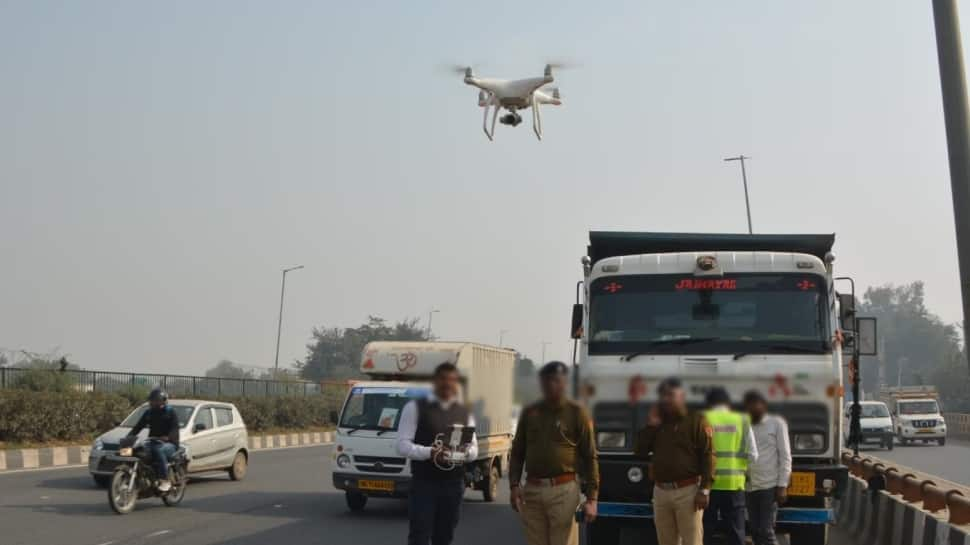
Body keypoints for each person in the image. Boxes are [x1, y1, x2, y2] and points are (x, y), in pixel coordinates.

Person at [509, 361, 599, 545]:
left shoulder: (577, 413)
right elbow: (518, 452)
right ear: (541, 383)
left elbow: (590, 456)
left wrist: (592, 499)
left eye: (556, 380)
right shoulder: (530, 412)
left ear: (565, 382)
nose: (551, 385)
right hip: (532, 490)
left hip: (563, 491)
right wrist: (514, 485)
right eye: (547, 380)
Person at [397, 362, 478, 545]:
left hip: (454, 484)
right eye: (443, 379)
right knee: (419, 535)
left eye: (452, 380)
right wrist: (430, 452)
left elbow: (474, 449)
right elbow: (401, 445)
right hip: (424, 484)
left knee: (445, 536)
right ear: (435, 381)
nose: (447, 384)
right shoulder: (415, 408)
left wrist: (465, 453)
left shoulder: (465, 412)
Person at [635, 377, 715, 545]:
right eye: (663, 396)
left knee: (692, 541)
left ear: (682, 396)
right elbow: (639, 451)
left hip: (688, 491)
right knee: (666, 541)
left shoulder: (696, 420)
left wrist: (705, 489)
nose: (666, 400)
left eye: (671, 395)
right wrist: (651, 426)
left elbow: (708, 455)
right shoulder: (658, 422)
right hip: (661, 492)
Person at [703, 387, 758, 545]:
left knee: (705, 530)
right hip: (734, 485)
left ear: (710, 404)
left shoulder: (703, 418)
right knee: (736, 531)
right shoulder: (742, 420)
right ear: (728, 403)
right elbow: (754, 455)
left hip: (707, 485)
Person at [743, 390, 792, 545]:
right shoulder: (745, 424)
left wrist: (782, 485)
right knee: (755, 530)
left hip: (769, 487)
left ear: (763, 406)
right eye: (748, 407)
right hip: (749, 486)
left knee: (766, 531)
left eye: (754, 406)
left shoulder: (776, 423)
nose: (751, 409)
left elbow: (785, 456)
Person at [126, 388, 180, 491]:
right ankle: (138, 474)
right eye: (152, 400)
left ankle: (164, 480)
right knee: (136, 450)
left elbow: (174, 428)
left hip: (170, 444)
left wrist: (168, 437)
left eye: (156, 400)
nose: (153, 402)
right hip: (153, 441)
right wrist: (129, 437)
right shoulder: (149, 413)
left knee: (158, 450)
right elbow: (138, 427)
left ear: (163, 400)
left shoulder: (170, 412)